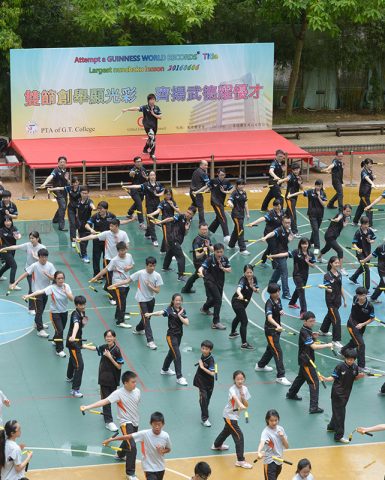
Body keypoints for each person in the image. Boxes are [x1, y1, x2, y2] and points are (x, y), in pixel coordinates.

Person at [81, 371, 141, 480]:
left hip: (135, 422)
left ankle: (120, 454)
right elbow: (104, 401)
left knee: (128, 440)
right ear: (125, 383)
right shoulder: (118, 393)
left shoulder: (137, 392)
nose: (135, 384)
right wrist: (87, 407)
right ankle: (130, 473)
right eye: (133, 382)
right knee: (132, 446)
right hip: (125, 422)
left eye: (135, 382)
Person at [109, 256, 163, 350]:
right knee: (146, 319)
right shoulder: (140, 273)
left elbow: (157, 291)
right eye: (150, 266)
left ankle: (138, 329)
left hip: (151, 299)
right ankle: (150, 341)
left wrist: (150, 286)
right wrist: (114, 285)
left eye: (154, 266)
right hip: (141, 299)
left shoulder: (157, 275)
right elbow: (127, 280)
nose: (152, 268)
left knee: (147, 318)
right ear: (146, 265)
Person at [286, 311, 333, 413]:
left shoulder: (308, 330)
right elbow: (314, 346)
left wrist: (313, 337)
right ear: (305, 321)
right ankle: (313, 407)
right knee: (314, 382)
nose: (313, 323)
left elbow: (310, 342)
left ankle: (291, 394)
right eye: (311, 321)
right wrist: (328, 345)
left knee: (301, 377)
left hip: (306, 359)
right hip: (307, 361)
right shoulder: (304, 332)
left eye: (314, 321)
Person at [103, 411, 171, 480]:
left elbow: (168, 449)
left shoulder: (165, 436)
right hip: (149, 467)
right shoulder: (145, 434)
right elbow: (128, 437)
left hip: (160, 467)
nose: (157, 427)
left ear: (163, 424)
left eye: (159, 424)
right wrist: (111, 439)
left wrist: (162, 451)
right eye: (155, 424)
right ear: (151, 424)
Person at [77, 218, 130, 303]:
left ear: (116, 226)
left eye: (112, 226)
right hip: (109, 259)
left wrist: (124, 255)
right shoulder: (107, 233)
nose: (110, 227)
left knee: (116, 278)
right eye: (109, 225)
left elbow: (127, 244)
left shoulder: (123, 234)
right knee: (110, 278)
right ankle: (112, 297)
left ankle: (106, 287)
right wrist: (81, 239)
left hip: (119, 260)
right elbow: (93, 236)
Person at [23, 271, 74, 357]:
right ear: (55, 279)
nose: (61, 280)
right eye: (58, 278)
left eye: (62, 278)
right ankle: (59, 350)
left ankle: (55, 340)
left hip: (64, 312)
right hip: (55, 313)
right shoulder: (52, 288)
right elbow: (40, 291)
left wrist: (66, 292)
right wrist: (28, 296)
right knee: (60, 330)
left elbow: (72, 299)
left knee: (60, 329)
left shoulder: (67, 286)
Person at [83, 329, 124, 432]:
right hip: (104, 377)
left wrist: (110, 357)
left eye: (110, 336)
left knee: (110, 397)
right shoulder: (104, 347)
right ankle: (108, 422)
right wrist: (84, 346)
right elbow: (96, 348)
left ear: (114, 338)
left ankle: (103, 404)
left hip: (113, 378)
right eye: (107, 336)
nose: (108, 338)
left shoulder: (117, 351)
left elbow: (119, 367)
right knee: (107, 400)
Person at [211, 370, 252, 469]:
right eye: (238, 379)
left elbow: (246, 405)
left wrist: (243, 398)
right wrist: (240, 403)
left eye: (242, 379)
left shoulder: (245, 389)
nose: (240, 381)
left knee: (227, 431)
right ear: (234, 380)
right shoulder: (232, 389)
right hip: (229, 415)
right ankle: (240, 461)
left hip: (235, 415)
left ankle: (216, 445)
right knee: (239, 436)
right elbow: (234, 398)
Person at [145, 293, 189, 386]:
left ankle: (164, 369)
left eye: (179, 300)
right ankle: (179, 377)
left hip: (179, 335)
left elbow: (187, 323)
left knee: (171, 353)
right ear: (173, 301)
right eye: (176, 300)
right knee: (177, 355)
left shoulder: (182, 311)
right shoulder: (170, 309)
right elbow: (160, 312)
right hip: (171, 336)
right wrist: (151, 313)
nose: (178, 302)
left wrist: (180, 316)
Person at [321, 349, 364, 443]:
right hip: (337, 394)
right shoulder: (340, 366)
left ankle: (331, 427)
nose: (349, 361)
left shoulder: (355, 367)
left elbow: (354, 378)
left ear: (354, 360)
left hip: (346, 394)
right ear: (345, 358)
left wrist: (359, 377)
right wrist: (326, 379)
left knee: (337, 412)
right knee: (340, 415)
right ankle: (338, 436)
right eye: (348, 359)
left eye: (352, 359)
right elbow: (333, 377)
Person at [11, 248, 55, 337]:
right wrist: (15, 282)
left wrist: (47, 275)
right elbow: (26, 274)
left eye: (45, 257)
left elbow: (54, 278)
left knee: (41, 310)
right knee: (39, 310)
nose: (44, 259)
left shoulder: (50, 265)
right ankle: (40, 330)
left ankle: (36, 323)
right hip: (36, 292)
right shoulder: (35, 265)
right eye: (42, 257)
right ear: (38, 257)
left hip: (45, 291)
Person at [90, 241, 134, 328]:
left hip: (126, 283)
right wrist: (96, 277)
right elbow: (106, 269)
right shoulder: (114, 260)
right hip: (117, 285)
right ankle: (120, 321)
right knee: (122, 303)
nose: (123, 252)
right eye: (121, 250)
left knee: (121, 301)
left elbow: (132, 265)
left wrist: (129, 267)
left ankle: (118, 315)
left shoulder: (129, 256)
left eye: (124, 250)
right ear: (118, 251)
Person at [0, 230, 45, 313]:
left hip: (39, 271)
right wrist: (5, 248)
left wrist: (36, 257)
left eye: (33, 238)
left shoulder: (42, 248)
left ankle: (37, 305)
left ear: (37, 238)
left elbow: (44, 261)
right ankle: (31, 308)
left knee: (38, 289)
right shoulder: (28, 245)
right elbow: (16, 247)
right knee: (32, 288)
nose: (31, 240)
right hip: (29, 270)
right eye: (30, 238)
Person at [255, 283, 291, 386]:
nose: (278, 293)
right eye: (276, 292)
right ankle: (280, 376)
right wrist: (277, 326)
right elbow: (269, 318)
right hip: (271, 331)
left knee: (271, 349)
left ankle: (260, 365)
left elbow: (279, 308)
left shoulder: (278, 300)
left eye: (279, 291)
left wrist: (281, 311)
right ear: (271, 293)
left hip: (276, 330)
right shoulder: (269, 303)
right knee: (277, 352)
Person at [125, 170, 164, 245]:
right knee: (151, 221)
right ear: (149, 176)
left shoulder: (159, 185)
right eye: (151, 175)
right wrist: (127, 186)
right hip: (149, 205)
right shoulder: (146, 185)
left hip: (158, 206)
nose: (152, 176)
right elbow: (136, 186)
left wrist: (158, 195)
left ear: (155, 176)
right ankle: (154, 239)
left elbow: (163, 191)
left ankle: (147, 234)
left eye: (154, 175)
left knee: (154, 220)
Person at [340, 287, 375, 372]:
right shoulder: (355, 299)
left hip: (361, 326)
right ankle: (361, 366)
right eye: (359, 295)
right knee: (361, 344)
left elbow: (372, 318)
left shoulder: (369, 306)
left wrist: (362, 324)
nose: (361, 297)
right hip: (352, 324)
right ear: (356, 295)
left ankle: (343, 351)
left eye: (363, 295)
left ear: (366, 295)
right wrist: (357, 324)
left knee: (355, 342)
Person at [258, 216, 293, 300]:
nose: (288, 224)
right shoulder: (279, 230)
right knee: (284, 273)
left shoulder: (289, 230)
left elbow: (285, 241)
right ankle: (286, 293)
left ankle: (271, 284)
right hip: (278, 254)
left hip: (284, 253)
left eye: (289, 222)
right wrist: (265, 237)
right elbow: (272, 233)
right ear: (282, 222)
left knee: (278, 270)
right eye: (286, 223)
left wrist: (289, 240)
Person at [198, 243, 231, 330]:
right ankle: (216, 322)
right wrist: (201, 273)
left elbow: (229, 270)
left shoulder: (225, 259)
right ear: (214, 251)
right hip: (210, 281)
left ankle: (205, 308)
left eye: (221, 252)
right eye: (217, 252)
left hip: (220, 281)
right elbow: (201, 268)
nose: (219, 254)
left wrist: (223, 268)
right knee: (218, 300)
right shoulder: (210, 259)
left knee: (213, 299)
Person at [159, 207, 195, 282]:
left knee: (170, 252)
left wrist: (187, 229)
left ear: (193, 215)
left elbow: (185, 234)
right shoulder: (181, 216)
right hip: (173, 238)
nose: (188, 214)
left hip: (177, 240)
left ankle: (165, 267)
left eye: (190, 214)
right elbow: (170, 219)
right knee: (181, 257)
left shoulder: (189, 221)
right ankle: (181, 276)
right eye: (187, 212)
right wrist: (160, 222)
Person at [318, 256, 347, 350]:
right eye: (336, 263)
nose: (337, 264)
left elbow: (341, 287)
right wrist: (325, 287)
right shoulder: (327, 276)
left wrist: (345, 299)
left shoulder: (339, 274)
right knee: (336, 319)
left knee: (330, 315)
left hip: (338, 300)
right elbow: (329, 290)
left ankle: (323, 330)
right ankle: (336, 340)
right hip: (331, 301)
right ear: (331, 263)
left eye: (338, 263)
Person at [122, 93, 162, 161]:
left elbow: (160, 117)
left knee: (150, 138)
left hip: (154, 126)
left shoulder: (157, 108)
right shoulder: (144, 107)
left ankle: (145, 149)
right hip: (147, 125)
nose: (152, 101)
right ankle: (152, 154)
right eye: (151, 100)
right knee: (152, 137)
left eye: (153, 99)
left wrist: (153, 113)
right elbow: (136, 108)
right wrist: (127, 109)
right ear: (148, 101)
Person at [229, 264, 259, 350]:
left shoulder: (254, 279)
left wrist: (254, 288)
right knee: (244, 321)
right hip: (237, 301)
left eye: (251, 272)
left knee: (238, 317)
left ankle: (232, 333)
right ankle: (244, 343)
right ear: (244, 273)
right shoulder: (242, 280)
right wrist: (240, 294)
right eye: (247, 272)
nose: (249, 274)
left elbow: (257, 290)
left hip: (245, 303)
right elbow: (238, 289)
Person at [317, 204, 352, 275]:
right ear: (343, 210)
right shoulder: (340, 214)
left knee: (327, 248)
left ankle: (318, 258)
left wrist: (345, 222)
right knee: (340, 251)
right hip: (330, 236)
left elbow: (343, 226)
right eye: (347, 211)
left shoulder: (348, 217)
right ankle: (341, 269)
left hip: (333, 236)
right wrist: (337, 219)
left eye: (349, 211)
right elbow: (339, 217)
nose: (348, 213)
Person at [85, 201, 117, 277]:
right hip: (97, 240)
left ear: (106, 209)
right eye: (98, 208)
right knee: (96, 258)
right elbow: (86, 225)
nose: (99, 210)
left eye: (101, 209)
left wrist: (130, 220)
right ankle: (96, 274)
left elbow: (118, 223)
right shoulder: (95, 216)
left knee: (106, 258)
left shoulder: (111, 216)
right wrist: (91, 229)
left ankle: (106, 274)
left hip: (108, 241)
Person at [248, 199, 283, 266]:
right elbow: (263, 218)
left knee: (270, 247)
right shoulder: (271, 213)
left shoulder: (282, 212)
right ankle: (275, 266)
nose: (277, 207)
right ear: (273, 206)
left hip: (276, 234)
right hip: (268, 234)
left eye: (278, 206)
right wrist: (253, 223)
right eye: (275, 206)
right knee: (274, 250)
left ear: (280, 206)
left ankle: (263, 261)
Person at [66, 295, 88, 398]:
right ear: (76, 305)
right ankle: (75, 390)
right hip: (73, 343)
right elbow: (76, 325)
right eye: (81, 305)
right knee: (79, 366)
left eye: (84, 304)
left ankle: (70, 376)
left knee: (72, 358)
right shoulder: (75, 315)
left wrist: (83, 323)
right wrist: (73, 336)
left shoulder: (82, 312)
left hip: (77, 341)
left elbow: (81, 324)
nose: (83, 306)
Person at [48, 175, 81, 246]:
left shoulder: (81, 189)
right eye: (74, 183)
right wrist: (51, 189)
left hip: (79, 208)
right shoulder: (69, 188)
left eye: (77, 182)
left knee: (78, 224)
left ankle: (79, 235)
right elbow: (60, 188)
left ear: (79, 183)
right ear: (72, 183)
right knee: (72, 224)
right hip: (71, 208)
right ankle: (73, 240)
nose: (75, 184)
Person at [39, 155, 69, 231]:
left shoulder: (66, 171)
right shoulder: (56, 170)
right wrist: (45, 183)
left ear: (66, 163)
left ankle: (55, 219)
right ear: (58, 163)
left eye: (64, 162)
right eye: (61, 162)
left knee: (63, 207)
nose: (62, 163)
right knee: (62, 206)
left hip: (64, 191)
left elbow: (67, 181)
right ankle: (61, 226)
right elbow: (50, 176)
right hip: (57, 191)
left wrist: (68, 182)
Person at [256, 409, 289, 480]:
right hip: (270, 461)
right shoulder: (266, 432)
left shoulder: (281, 429)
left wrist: (282, 437)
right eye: (271, 420)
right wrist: (259, 452)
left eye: (276, 420)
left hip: (279, 460)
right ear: (267, 420)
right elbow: (262, 442)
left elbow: (287, 446)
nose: (274, 423)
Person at [287, 238, 316, 317]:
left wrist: (307, 262)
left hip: (305, 275)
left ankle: (292, 303)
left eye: (306, 244)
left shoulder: (310, 254)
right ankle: (303, 312)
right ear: (300, 244)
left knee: (299, 289)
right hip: (297, 275)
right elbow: (287, 254)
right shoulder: (296, 252)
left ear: (308, 245)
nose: (304, 245)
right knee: (302, 291)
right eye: (303, 244)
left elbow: (313, 266)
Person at [182, 222, 213, 294]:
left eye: (206, 229)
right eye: (203, 229)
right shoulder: (196, 241)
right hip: (199, 262)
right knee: (207, 277)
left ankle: (186, 288)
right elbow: (197, 256)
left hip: (206, 261)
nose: (205, 231)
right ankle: (210, 295)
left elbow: (212, 250)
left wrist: (208, 246)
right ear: (199, 229)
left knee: (196, 275)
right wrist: (203, 252)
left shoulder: (207, 238)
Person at [147, 188, 179, 254]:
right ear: (164, 195)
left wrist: (172, 205)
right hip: (165, 222)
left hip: (172, 222)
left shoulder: (173, 202)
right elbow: (158, 211)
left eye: (170, 195)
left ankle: (162, 250)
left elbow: (178, 211)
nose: (168, 196)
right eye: (167, 194)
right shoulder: (162, 202)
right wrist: (151, 214)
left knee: (166, 236)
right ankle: (169, 253)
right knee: (168, 237)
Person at [348, 216, 376, 290]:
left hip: (367, 253)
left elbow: (374, 240)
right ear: (361, 224)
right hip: (360, 254)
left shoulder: (369, 231)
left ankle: (353, 278)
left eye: (367, 224)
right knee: (366, 269)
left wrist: (370, 241)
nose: (366, 226)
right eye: (365, 224)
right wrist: (357, 249)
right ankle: (365, 289)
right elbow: (354, 243)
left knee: (362, 267)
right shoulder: (358, 232)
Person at [193, 340, 215, 427]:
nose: (204, 350)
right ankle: (205, 419)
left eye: (206, 349)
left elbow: (212, 373)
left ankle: (203, 405)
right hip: (201, 381)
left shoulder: (211, 360)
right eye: (203, 348)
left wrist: (201, 367)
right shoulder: (203, 356)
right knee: (204, 398)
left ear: (210, 350)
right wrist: (201, 366)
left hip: (209, 382)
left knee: (207, 399)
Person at [207, 168, 233, 243]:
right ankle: (226, 236)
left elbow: (231, 190)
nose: (222, 176)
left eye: (224, 175)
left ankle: (210, 231)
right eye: (221, 175)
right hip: (215, 202)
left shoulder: (226, 181)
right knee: (222, 217)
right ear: (217, 174)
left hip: (221, 202)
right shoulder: (213, 181)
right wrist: (198, 191)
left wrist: (224, 191)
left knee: (218, 218)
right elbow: (207, 187)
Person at [227, 179, 250, 255]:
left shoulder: (244, 192)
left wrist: (247, 214)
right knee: (240, 230)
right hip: (236, 215)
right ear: (237, 185)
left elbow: (245, 204)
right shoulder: (234, 193)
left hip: (242, 214)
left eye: (242, 184)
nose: (241, 186)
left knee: (236, 230)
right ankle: (242, 249)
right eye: (239, 184)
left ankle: (231, 245)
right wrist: (230, 203)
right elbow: (229, 200)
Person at [125, 156, 149, 229]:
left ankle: (129, 213)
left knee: (137, 203)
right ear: (135, 163)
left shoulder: (143, 169)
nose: (139, 163)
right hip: (134, 190)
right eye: (137, 161)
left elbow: (147, 178)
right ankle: (141, 223)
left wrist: (146, 178)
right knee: (139, 205)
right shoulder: (133, 170)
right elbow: (131, 174)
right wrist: (132, 173)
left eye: (140, 161)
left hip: (142, 190)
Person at [353, 158, 376, 227]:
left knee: (361, 207)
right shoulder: (363, 171)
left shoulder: (370, 171)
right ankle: (369, 226)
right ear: (366, 164)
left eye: (372, 164)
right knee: (369, 209)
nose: (371, 165)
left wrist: (373, 178)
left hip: (367, 193)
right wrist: (372, 183)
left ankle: (355, 221)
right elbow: (367, 178)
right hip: (364, 193)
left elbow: (369, 179)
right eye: (370, 164)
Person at [0, 216, 21, 289]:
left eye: (9, 221)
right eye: (6, 221)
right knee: (14, 266)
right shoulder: (1, 230)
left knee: (8, 265)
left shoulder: (14, 228)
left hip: (12, 249)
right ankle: (12, 284)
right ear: (3, 222)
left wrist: (18, 236)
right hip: (4, 250)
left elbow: (18, 235)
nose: (8, 223)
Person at [76, 185, 95, 263]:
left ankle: (84, 254)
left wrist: (94, 208)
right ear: (80, 193)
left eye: (86, 193)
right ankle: (84, 255)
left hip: (88, 224)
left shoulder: (89, 201)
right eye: (83, 193)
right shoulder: (78, 200)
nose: (85, 195)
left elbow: (92, 206)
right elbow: (76, 211)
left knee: (85, 240)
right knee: (82, 241)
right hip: (80, 223)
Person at [284, 163, 302, 236]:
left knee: (288, 213)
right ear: (292, 170)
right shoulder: (290, 176)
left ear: (299, 169)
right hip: (289, 198)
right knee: (293, 215)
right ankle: (295, 232)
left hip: (295, 197)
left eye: (297, 169)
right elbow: (287, 178)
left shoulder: (299, 178)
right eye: (294, 170)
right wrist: (280, 180)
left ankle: (280, 222)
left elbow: (301, 188)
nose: (296, 171)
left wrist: (300, 183)